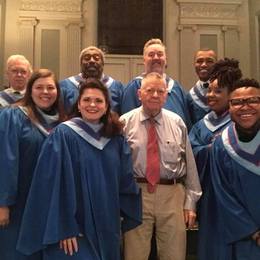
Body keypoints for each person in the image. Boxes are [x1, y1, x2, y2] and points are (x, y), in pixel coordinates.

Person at [17, 78, 142, 259]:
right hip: (73, 228)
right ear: (79, 104)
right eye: (86, 100)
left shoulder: (115, 139)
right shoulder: (64, 135)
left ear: (107, 106)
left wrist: (122, 214)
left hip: (107, 224)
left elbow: (125, 180)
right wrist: (63, 226)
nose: (92, 104)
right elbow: (50, 185)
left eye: (99, 101)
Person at [121, 72, 202, 260]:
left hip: (172, 193)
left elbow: (189, 165)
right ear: (139, 94)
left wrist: (191, 203)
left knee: (174, 254)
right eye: (150, 90)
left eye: (160, 91)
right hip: (136, 194)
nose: (155, 95)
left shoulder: (177, 122)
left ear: (166, 95)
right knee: (134, 254)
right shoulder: (124, 123)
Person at [0, 69, 65, 260]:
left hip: (50, 203)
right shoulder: (13, 117)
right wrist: (3, 203)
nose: (45, 92)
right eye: (39, 87)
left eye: (50, 87)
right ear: (30, 90)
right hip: (20, 204)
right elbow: (5, 160)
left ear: (57, 92)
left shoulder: (63, 122)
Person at [188, 58, 242, 260]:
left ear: (231, 94)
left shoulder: (240, 123)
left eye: (218, 91)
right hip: (209, 197)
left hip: (232, 197)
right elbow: (190, 154)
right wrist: (214, 148)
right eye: (209, 90)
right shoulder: (202, 124)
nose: (210, 95)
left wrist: (214, 148)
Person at [210, 78, 260, 259]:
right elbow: (222, 195)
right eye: (237, 102)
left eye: (253, 100)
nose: (245, 107)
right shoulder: (221, 145)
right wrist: (252, 231)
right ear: (229, 107)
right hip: (241, 236)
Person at [121, 38, 192, 130]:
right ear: (144, 60)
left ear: (166, 59)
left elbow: (186, 125)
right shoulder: (134, 87)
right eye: (151, 55)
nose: (155, 58)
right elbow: (128, 125)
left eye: (160, 54)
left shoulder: (176, 88)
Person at [60, 46, 123, 115]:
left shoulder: (117, 87)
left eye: (96, 58)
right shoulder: (65, 86)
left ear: (102, 64)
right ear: (81, 64)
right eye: (87, 58)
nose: (92, 61)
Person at [187, 49, 217, 124]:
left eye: (209, 61)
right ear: (194, 64)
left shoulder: (226, 93)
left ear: (216, 64)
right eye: (199, 61)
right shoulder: (189, 97)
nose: (204, 65)